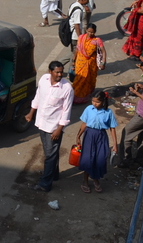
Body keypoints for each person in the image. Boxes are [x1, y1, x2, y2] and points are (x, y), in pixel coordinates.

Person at [24, 61, 74, 192]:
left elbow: (66, 110)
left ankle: (45, 184)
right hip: (42, 123)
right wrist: (31, 113)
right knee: (50, 152)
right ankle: (54, 175)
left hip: (54, 128)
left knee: (50, 155)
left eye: (61, 72)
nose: (60, 74)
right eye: (57, 72)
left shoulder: (67, 88)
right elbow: (38, 97)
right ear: (50, 72)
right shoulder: (43, 80)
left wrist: (59, 129)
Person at [75, 91, 118, 193]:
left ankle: (96, 179)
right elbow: (84, 123)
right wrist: (78, 136)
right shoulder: (88, 109)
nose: (94, 103)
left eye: (97, 102)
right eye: (93, 101)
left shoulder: (108, 112)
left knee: (100, 159)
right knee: (87, 158)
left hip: (101, 136)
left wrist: (115, 144)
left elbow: (112, 128)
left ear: (103, 101)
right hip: (89, 135)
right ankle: (85, 181)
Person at [72, 23, 105, 104]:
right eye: (89, 32)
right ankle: (74, 97)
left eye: (92, 32)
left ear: (95, 32)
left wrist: (103, 62)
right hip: (79, 62)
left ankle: (84, 97)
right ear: (86, 30)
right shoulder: (81, 38)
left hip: (91, 64)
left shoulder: (97, 40)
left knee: (88, 80)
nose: (90, 34)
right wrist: (73, 61)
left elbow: (103, 51)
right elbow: (77, 50)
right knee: (79, 79)